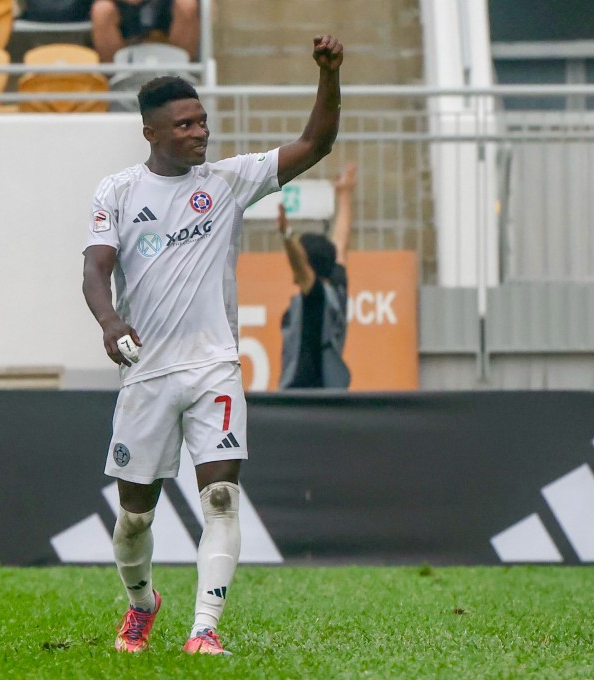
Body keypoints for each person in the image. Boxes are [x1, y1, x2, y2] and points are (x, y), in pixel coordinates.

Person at [81, 35, 344, 655]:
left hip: (213, 368)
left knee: (221, 498)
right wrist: (110, 322)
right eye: (185, 124)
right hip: (146, 372)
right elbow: (95, 270)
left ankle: (205, 630)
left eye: (202, 120)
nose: (200, 131)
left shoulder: (228, 181)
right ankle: (142, 605)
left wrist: (329, 76)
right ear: (152, 133)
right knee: (133, 520)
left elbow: (316, 144)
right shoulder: (116, 192)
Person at [277, 162, 356, 390]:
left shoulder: (317, 298)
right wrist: (345, 195)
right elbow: (340, 247)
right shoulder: (337, 286)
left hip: (305, 396)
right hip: (331, 395)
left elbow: (301, 268)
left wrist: (286, 235)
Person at [90, 0, 198, 63]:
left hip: (164, 9)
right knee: (102, 11)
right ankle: (115, 82)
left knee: (187, 5)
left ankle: (183, 75)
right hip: (121, 10)